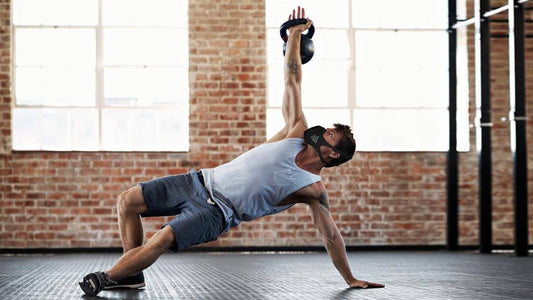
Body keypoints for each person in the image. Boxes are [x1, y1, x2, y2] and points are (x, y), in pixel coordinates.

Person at [79, 7, 384, 296]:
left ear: (333, 154)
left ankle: (108, 277)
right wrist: (294, 36)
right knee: (127, 201)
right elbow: (292, 79)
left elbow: (330, 236)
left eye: (332, 134)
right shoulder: (295, 132)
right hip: (198, 181)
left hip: (216, 213)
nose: (325, 131)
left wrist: (350, 278)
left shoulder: (312, 189)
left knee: (162, 237)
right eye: (329, 129)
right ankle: (131, 275)